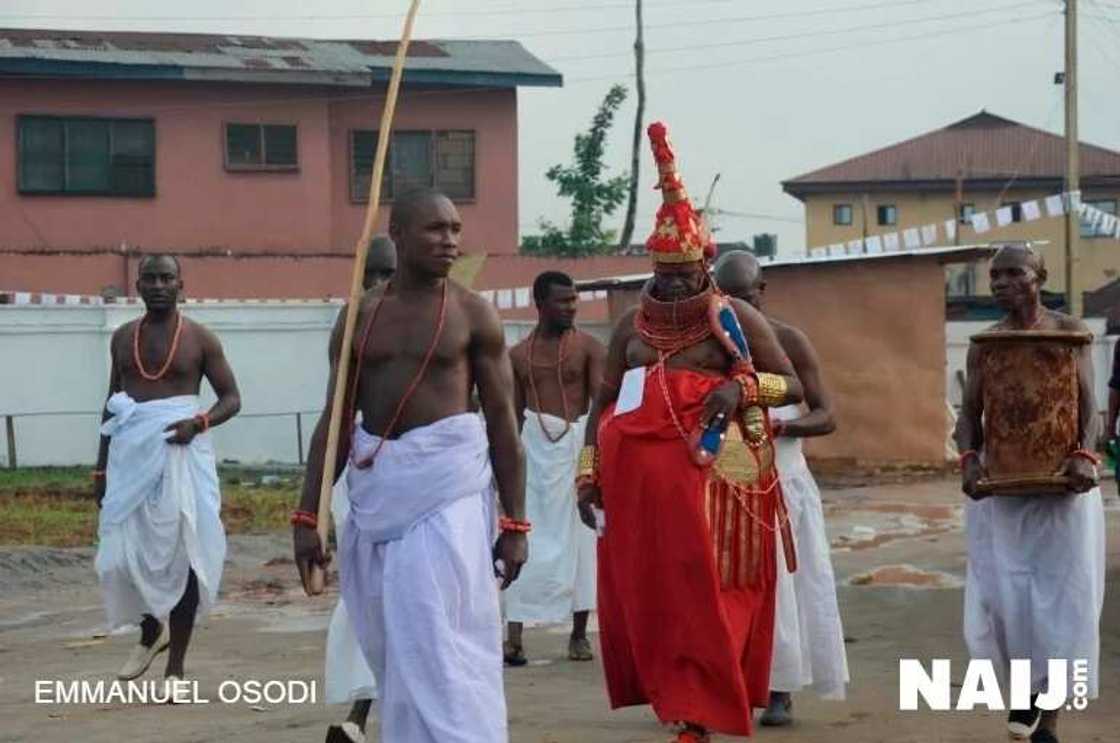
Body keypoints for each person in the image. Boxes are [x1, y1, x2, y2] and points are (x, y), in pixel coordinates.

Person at [580, 122, 804, 742]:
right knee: (656, 602)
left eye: (684, 272)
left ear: (704, 265)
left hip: (720, 489)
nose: (674, 284)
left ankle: (703, 712)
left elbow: (793, 387)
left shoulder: (735, 318)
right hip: (640, 495)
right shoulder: (629, 324)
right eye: (664, 272)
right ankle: (679, 704)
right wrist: (588, 477)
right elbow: (602, 406)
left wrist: (740, 390)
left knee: (715, 599)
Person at [293, 189, 527, 743]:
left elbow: (503, 428)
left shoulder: (474, 314)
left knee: (435, 637)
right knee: (392, 644)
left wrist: (514, 525)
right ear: (396, 235)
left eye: (455, 229)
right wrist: (309, 515)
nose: (450, 240)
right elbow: (336, 422)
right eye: (435, 229)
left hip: (446, 499)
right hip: (376, 496)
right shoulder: (360, 317)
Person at [955, 244, 1106, 743]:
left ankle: (1051, 718)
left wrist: (1084, 456)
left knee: (1064, 604)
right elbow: (968, 415)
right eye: (994, 275)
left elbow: (1089, 409)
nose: (999, 283)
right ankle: (1024, 692)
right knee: (1006, 602)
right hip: (1002, 492)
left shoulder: (1069, 334)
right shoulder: (986, 343)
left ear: (1038, 277)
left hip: (1064, 491)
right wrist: (970, 461)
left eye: (1011, 273)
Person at [714, 250, 849, 726]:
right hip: (724, 488)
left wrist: (782, 430)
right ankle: (723, 687)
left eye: (746, 297)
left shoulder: (791, 341)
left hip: (783, 486)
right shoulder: (712, 345)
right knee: (725, 589)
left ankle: (780, 688)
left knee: (784, 590)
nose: (738, 309)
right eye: (726, 298)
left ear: (762, 292)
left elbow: (826, 414)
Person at [92, 254, 241, 685]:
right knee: (119, 559)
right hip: (129, 458)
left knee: (185, 556)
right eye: (150, 278)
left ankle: (175, 665)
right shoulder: (122, 338)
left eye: (166, 278)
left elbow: (232, 398)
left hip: (182, 456)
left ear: (181, 284)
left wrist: (200, 423)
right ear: (137, 286)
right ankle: (148, 629)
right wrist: (100, 470)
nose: (158, 285)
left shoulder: (200, 338)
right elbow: (110, 403)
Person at [503, 271, 605, 666]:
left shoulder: (590, 349)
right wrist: (505, 468)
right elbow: (509, 417)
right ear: (540, 304)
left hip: (577, 449)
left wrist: (591, 467)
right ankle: (514, 637)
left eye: (574, 300)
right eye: (563, 301)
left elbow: (600, 407)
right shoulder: (515, 357)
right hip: (533, 454)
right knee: (522, 537)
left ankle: (578, 635)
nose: (571, 308)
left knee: (582, 545)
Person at [323, 236, 395, 743]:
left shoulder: (449, 317)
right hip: (365, 476)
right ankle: (359, 715)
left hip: (435, 483)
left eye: (389, 273)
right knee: (366, 596)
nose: (380, 285)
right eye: (372, 274)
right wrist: (311, 510)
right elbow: (336, 417)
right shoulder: (350, 323)